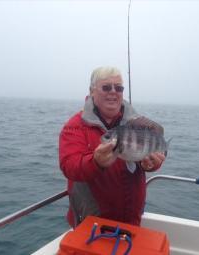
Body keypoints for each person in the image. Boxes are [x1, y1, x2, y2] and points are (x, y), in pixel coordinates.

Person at [59, 66, 166, 227]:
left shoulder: (137, 124)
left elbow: (143, 159)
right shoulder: (74, 127)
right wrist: (95, 162)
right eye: (106, 87)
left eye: (119, 87)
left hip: (131, 222)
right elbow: (69, 167)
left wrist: (151, 164)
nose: (113, 91)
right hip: (91, 224)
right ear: (92, 91)